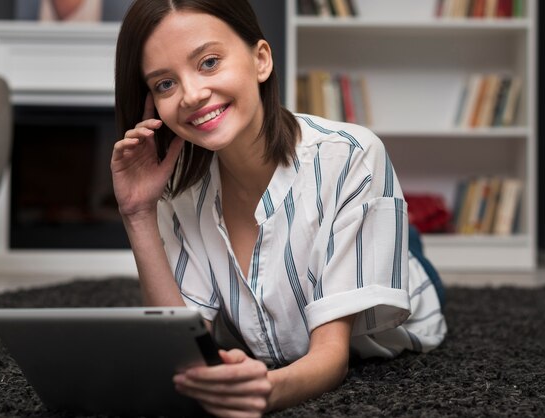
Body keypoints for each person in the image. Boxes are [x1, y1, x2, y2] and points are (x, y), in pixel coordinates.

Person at [111, 0, 447, 416]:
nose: (192, 95)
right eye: (165, 84)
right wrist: (137, 212)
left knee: (409, 257)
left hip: (404, 286)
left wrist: (263, 389)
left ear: (261, 60)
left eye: (209, 62)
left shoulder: (352, 154)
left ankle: (403, 237)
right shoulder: (177, 193)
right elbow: (180, 348)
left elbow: (331, 357)